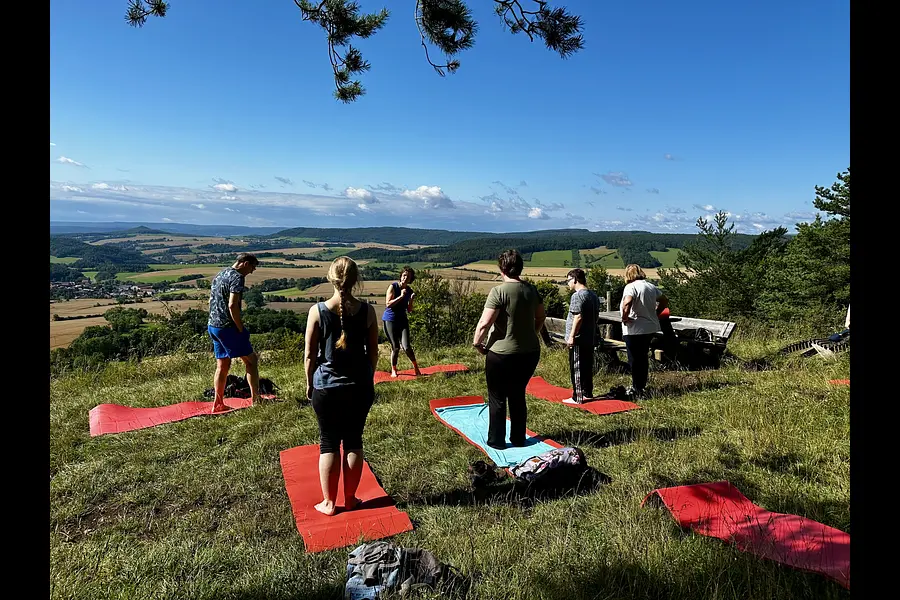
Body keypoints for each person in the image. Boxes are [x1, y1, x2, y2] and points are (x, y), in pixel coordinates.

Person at [304, 256, 379, 516]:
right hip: (359, 386)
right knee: (353, 441)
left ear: (331, 278)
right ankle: (350, 498)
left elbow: (309, 355)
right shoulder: (368, 311)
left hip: (326, 387)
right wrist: (368, 378)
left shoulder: (317, 311)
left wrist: (309, 383)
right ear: (356, 279)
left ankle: (328, 502)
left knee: (328, 443)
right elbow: (373, 353)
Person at [472, 249, 546, 449]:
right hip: (530, 352)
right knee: (517, 394)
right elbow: (540, 317)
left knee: (497, 397)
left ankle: (497, 441)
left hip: (501, 353)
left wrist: (478, 343)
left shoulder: (499, 291)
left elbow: (484, 323)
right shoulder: (532, 290)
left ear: (501, 268)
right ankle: (518, 438)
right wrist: (533, 332)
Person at [207, 253, 261, 413]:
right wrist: (240, 327)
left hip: (213, 325)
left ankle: (218, 403)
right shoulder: (237, 277)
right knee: (251, 361)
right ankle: (256, 400)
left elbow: (211, 300)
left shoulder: (221, 274)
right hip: (227, 327)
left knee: (222, 365)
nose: (252, 271)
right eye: (252, 267)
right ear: (245, 263)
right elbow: (232, 305)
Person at [620, 264, 668, 400]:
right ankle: (641, 385)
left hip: (634, 328)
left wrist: (624, 316)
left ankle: (636, 388)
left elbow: (628, 302)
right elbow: (664, 300)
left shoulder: (630, 287)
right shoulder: (650, 286)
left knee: (634, 359)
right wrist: (656, 313)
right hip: (650, 327)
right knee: (643, 357)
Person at [563, 268, 601, 404]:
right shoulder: (593, 295)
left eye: (568, 280)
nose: (568, 283)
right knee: (587, 365)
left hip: (578, 338)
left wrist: (572, 336)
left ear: (574, 279)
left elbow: (577, 317)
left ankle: (577, 396)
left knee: (577, 367)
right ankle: (588, 392)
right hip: (589, 336)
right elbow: (596, 316)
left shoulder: (577, 296)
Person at [381, 266, 421, 377]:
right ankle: (394, 370)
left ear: (410, 280)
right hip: (390, 320)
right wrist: (401, 296)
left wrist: (411, 300)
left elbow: (409, 310)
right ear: (401, 276)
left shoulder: (409, 290)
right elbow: (388, 304)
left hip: (402, 320)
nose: (405, 278)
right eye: (404, 275)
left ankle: (416, 368)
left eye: (408, 277)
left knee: (407, 346)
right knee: (396, 347)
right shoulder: (393, 287)